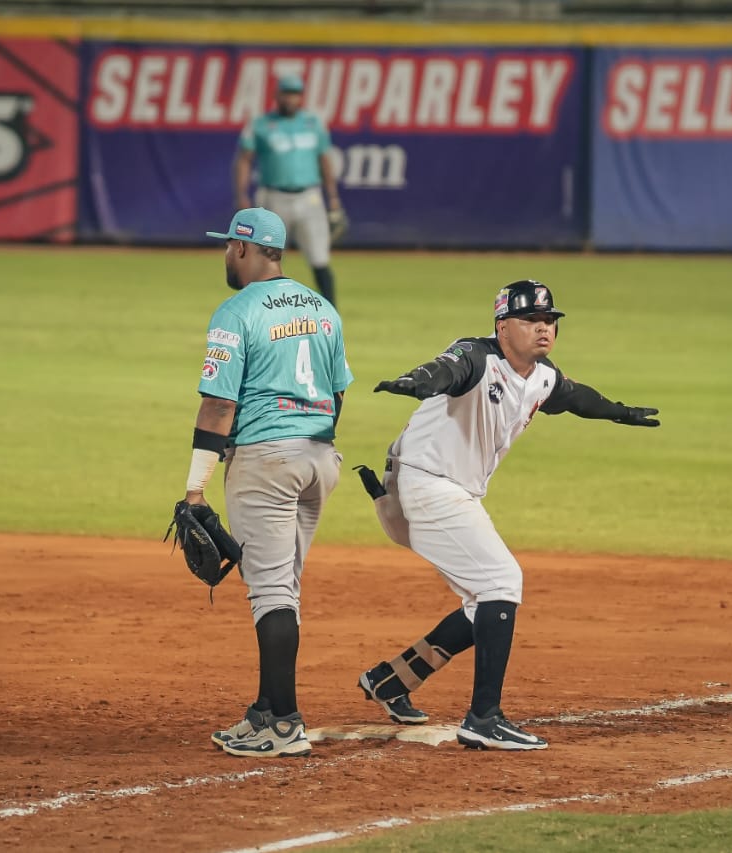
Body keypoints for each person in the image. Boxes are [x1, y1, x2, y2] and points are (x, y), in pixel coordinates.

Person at [354, 280, 660, 750]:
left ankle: (391, 680)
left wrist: (619, 413)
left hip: (442, 491)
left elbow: (574, 397)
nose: (543, 328)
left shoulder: (541, 376)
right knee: (500, 582)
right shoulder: (477, 356)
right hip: (426, 486)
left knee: (484, 602)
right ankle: (483, 718)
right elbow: (446, 369)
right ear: (502, 327)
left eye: (549, 320)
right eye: (531, 320)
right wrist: (417, 381)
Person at [182, 207, 351, 758]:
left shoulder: (236, 311)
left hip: (267, 462)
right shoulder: (322, 307)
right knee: (283, 587)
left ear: (242, 248)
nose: (226, 255)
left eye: (228, 246)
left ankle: (284, 725)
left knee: (271, 592)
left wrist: (195, 488)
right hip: (319, 458)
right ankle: (264, 710)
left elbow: (218, 405)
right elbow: (338, 390)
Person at [234, 74, 344, 305]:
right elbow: (244, 159)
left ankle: (332, 314)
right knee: (263, 258)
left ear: (301, 97)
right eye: (286, 93)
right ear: (277, 95)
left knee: (320, 258)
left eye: (295, 94)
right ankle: (255, 310)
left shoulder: (313, 123)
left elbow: (324, 160)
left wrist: (333, 197)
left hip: (309, 197)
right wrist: (241, 194)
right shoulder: (260, 124)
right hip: (273, 198)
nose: (290, 99)